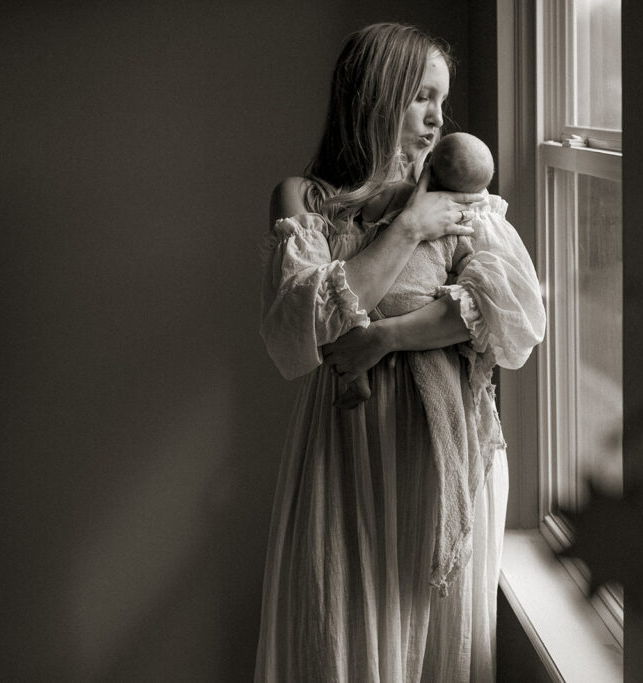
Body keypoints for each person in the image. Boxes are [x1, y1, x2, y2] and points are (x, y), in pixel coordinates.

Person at [256, 23, 545, 683]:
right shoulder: (305, 201)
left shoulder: (464, 200)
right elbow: (309, 326)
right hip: (347, 452)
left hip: (450, 456)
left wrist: (383, 337)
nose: (438, 118)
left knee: (439, 645)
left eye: (442, 99)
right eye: (421, 96)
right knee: (339, 635)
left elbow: (512, 317)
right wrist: (410, 226)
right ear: (375, 96)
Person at [337, 131, 497, 409]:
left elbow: (366, 241)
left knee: (345, 325)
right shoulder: (460, 226)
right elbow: (472, 270)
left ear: (429, 162)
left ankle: (357, 381)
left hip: (373, 304)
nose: (436, 120)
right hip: (417, 309)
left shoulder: (400, 205)